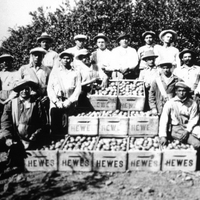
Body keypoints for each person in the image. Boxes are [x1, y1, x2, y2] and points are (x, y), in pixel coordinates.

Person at [0, 79, 48, 173]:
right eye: (22, 89)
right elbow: (5, 122)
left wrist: (35, 135)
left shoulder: (36, 103)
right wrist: (8, 137)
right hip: (15, 137)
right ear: (18, 90)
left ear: (30, 90)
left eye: (27, 89)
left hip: (31, 137)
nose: (24, 91)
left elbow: (43, 123)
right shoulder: (11, 104)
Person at [47, 50, 81, 135]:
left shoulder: (75, 72)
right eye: (64, 58)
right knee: (56, 128)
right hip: (56, 103)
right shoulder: (55, 72)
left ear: (71, 60)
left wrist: (69, 101)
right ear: (60, 60)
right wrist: (56, 101)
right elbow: (50, 88)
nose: (66, 60)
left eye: (68, 58)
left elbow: (78, 89)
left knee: (68, 128)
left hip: (69, 103)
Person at [159, 81, 200, 149]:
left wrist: (187, 130)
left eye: (184, 91)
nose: (181, 93)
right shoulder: (170, 103)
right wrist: (163, 135)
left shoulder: (193, 103)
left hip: (188, 127)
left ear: (187, 91)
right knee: (197, 144)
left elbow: (194, 119)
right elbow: (164, 119)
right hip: (176, 128)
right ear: (176, 91)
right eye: (179, 91)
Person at [0, 54, 20, 123]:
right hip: (1, 97)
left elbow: (17, 88)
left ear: (11, 62)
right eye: (3, 61)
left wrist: (9, 99)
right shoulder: (1, 73)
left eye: (7, 61)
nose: (5, 63)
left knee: (12, 118)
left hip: (12, 97)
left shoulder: (16, 73)